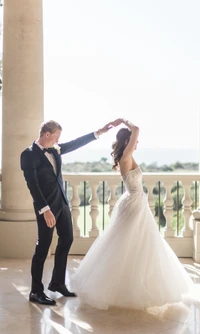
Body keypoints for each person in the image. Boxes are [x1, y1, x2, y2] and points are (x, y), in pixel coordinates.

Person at [70, 118, 193, 310]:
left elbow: (135, 133)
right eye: (134, 141)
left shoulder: (126, 156)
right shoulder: (126, 155)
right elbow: (137, 128)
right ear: (128, 142)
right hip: (134, 203)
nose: (137, 143)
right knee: (128, 244)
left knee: (136, 244)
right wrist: (123, 121)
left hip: (135, 201)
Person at [20, 119, 114, 306]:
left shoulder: (55, 150)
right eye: (56, 137)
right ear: (47, 134)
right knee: (43, 247)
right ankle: (35, 291)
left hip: (61, 204)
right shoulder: (28, 154)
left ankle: (57, 283)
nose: (58, 141)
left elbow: (75, 144)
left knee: (67, 239)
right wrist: (45, 210)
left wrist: (99, 132)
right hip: (45, 207)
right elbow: (33, 185)